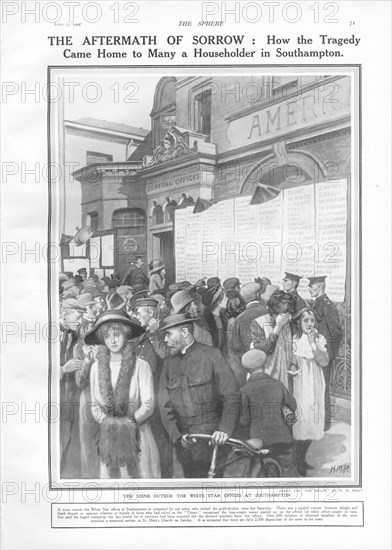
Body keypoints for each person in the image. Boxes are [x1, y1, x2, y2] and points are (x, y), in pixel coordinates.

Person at [158, 313, 240, 478]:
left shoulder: (212, 355)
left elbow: (232, 397)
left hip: (212, 442)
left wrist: (224, 431)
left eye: (169, 334)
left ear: (185, 333)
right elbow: (164, 406)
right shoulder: (168, 363)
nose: (166, 340)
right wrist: (177, 436)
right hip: (184, 445)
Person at [86, 310, 161, 479]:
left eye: (117, 334)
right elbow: (95, 405)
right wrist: (109, 423)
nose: (112, 340)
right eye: (107, 336)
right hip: (108, 437)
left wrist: (128, 423)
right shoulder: (96, 368)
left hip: (137, 435)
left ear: (126, 335)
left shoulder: (142, 366)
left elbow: (148, 404)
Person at [240, 349, 299, 477]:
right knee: (289, 475)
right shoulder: (278, 385)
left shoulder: (244, 390)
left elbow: (243, 421)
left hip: (260, 444)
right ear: (264, 366)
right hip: (284, 441)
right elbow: (293, 405)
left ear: (249, 370)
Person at [290, 307, 330, 475]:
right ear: (299, 322)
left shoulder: (319, 339)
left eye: (312, 320)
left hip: (315, 382)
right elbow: (291, 361)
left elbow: (324, 361)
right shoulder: (294, 340)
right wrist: (292, 367)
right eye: (305, 320)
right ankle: (297, 459)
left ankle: (302, 458)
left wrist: (313, 343)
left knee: (313, 420)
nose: (309, 323)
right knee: (302, 419)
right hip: (300, 382)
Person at [308, 276, 343, 430]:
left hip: (324, 352)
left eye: (312, 286)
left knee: (322, 388)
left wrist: (328, 350)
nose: (309, 289)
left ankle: (324, 423)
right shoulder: (319, 302)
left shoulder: (326, 305)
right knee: (317, 386)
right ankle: (318, 422)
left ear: (319, 287)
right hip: (318, 351)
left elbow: (336, 331)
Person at [250, 290, 295, 389]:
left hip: (285, 374)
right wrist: (277, 327)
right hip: (267, 374)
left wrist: (293, 364)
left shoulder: (289, 324)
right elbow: (262, 350)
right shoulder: (258, 322)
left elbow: (292, 347)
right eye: (282, 314)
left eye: (287, 313)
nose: (286, 317)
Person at [231, 282, 266, 356]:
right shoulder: (267, 312)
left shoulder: (239, 318)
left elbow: (235, 345)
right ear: (258, 295)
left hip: (248, 358)